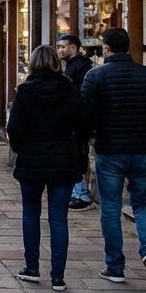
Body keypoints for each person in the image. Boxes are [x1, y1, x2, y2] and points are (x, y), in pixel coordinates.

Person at [79, 28, 146, 284]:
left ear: (106, 48)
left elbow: (85, 114)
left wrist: (86, 138)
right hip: (142, 149)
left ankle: (114, 265)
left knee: (110, 208)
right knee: (143, 204)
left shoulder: (96, 76)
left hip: (110, 149)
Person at [6, 45, 84, 290]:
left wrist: (22, 147)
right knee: (58, 218)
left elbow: (14, 128)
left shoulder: (25, 92)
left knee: (31, 213)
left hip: (32, 159)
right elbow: (81, 124)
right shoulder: (70, 90)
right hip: (63, 158)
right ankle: (58, 276)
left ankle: (32, 267)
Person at [58, 34, 96, 211]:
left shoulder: (81, 66)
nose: (60, 50)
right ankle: (78, 190)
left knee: (78, 154)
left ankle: (82, 192)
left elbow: (82, 95)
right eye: (58, 47)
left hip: (79, 120)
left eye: (63, 47)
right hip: (74, 119)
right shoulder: (72, 65)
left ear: (74, 47)